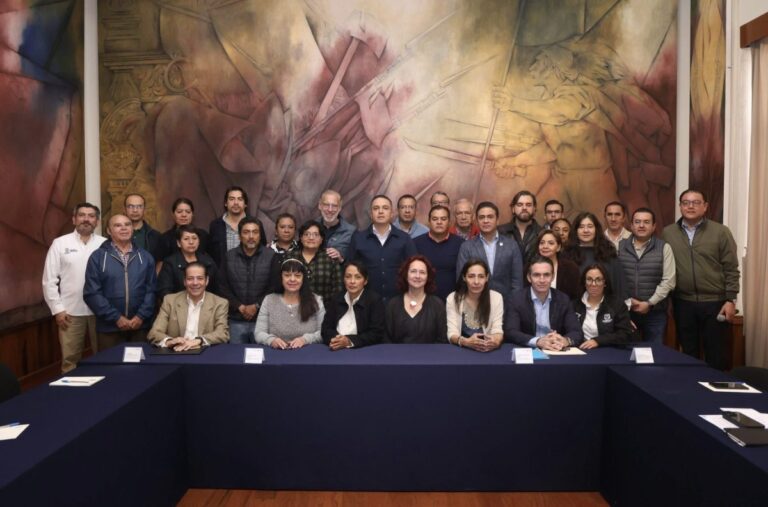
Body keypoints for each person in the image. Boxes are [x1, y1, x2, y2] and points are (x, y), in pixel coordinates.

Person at [662, 189, 740, 370]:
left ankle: (717, 396)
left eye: (696, 202)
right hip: (683, 303)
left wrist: (731, 299)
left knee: (716, 355)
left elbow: (731, 268)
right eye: (686, 202)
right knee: (689, 355)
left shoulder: (721, 232)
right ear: (680, 206)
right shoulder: (668, 233)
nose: (690, 206)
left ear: (705, 207)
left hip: (715, 303)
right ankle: (692, 394)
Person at [42, 203, 106, 372]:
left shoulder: (105, 244)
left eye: (91, 216)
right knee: (70, 360)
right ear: (74, 219)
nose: (86, 219)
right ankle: (70, 396)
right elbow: (49, 280)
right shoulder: (60, 243)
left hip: (100, 312)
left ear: (97, 221)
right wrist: (58, 310)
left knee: (104, 358)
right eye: (82, 215)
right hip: (69, 313)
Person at [83, 214, 157, 349]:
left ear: (132, 229)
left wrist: (140, 316)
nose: (123, 228)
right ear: (109, 231)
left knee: (140, 367)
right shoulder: (97, 257)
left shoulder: (145, 257)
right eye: (117, 225)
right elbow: (92, 293)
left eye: (127, 224)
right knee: (110, 368)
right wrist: (116, 318)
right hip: (109, 327)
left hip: (139, 326)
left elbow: (151, 290)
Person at [617, 207, 675, 343]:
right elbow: (615, 280)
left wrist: (649, 303)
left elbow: (669, 281)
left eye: (646, 222)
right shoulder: (619, 247)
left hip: (655, 313)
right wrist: (628, 301)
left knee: (654, 354)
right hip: (626, 312)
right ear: (631, 225)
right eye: (637, 222)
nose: (641, 225)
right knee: (626, 354)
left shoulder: (664, 248)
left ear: (654, 226)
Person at [217, 217, 276, 344]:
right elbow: (222, 286)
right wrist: (239, 306)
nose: (251, 236)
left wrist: (256, 305)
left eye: (255, 232)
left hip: (263, 321)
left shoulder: (271, 256)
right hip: (235, 319)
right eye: (246, 232)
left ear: (260, 235)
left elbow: (274, 286)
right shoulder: (229, 256)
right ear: (239, 236)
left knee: (263, 360)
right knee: (236, 360)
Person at [348, 195, 417, 302]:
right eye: (376, 208)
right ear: (371, 214)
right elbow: (349, 270)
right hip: (366, 303)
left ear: (392, 213)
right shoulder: (358, 238)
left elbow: (413, 269)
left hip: (398, 303)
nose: (380, 212)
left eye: (385, 208)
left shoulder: (404, 239)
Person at [503, 256, 582, 350]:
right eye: (536, 275)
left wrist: (565, 340)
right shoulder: (516, 299)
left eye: (546, 275)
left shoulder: (563, 299)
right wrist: (537, 341)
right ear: (529, 277)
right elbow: (511, 331)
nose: (542, 280)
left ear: (552, 277)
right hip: (528, 350)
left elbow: (576, 332)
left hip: (556, 350)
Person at [147, 262, 229, 350]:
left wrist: (199, 340)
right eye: (190, 278)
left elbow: (222, 333)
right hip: (176, 352)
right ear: (185, 281)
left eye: (200, 278)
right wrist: (169, 341)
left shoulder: (220, 303)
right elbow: (154, 332)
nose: (195, 283)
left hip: (205, 353)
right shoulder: (170, 301)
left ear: (207, 280)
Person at [456, 201, 523, 300]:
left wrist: (513, 306)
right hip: (476, 304)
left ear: (497, 220)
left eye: (490, 217)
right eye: (482, 217)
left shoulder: (511, 245)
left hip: (506, 306)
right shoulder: (467, 247)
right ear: (477, 221)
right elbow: (461, 281)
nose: (486, 221)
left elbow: (517, 282)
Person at [254, 259, 325, 349]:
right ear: (281, 278)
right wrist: (271, 340)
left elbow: (323, 332)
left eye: (297, 276)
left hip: (308, 354)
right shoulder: (269, 300)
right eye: (287, 275)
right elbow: (259, 333)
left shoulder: (316, 300)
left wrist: (305, 340)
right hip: (276, 354)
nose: (292, 279)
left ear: (303, 279)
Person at [321, 260, 386, 350]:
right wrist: (337, 340)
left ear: (365, 281)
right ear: (343, 279)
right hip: (335, 349)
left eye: (358, 277)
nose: (352, 281)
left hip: (362, 351)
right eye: (348, 277)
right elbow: (325, 329)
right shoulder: (336, 299)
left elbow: (376, 333)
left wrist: (349, 341)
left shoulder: (374, 300)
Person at [385, 255, 447, 343]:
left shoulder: (437, 305)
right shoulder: (393, 304)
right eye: (413, 271)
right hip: (398, 356)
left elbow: (442, 340)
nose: (417, 276)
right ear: (406, 274)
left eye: (422, 272)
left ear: (428, 277)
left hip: (430, 356)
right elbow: (387, 340)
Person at [564, 212, 626, 300]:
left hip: (606, 308)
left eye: (590, 226)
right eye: (581, 227)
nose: (586, 230)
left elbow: (619, 285)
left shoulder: (608, 252)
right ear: (575, 230)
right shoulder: (567, 255)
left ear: (596, 229)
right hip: (574, 308)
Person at [446, 259, 503, 352]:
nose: (476, 281)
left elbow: (497, 330)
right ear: (464, 278)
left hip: (487, 350)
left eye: (481, 276)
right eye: (471, 276)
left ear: (487, 278)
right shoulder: (453, 298)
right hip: (461, 350)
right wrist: (466, 342)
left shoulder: (496, 297)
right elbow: (452, 334)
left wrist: (495, 341)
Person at [573, 264, 634, 349]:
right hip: (581, 351)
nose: (593, 284)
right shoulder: (574, 305)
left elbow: (624, 334)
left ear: (605, 282)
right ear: (584, 282)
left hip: (608, 352)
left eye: (598, 280)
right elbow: (569, 331)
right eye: (589, 279)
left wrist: (598, 341)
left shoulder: (617, 304)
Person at [284, 221, 343, 304]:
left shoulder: (330, 258)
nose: (311, 238)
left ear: (322, 239)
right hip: (293, 307)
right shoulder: (290, 256)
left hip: (324, 309)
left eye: (316, 234)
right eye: (307, 234)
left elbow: (338, 288)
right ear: (300, 238)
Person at [414, 205, 464, 300]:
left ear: (449, 222)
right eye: (435, 219)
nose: (439, 222)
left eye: (443, 219)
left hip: (453, 300)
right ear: (429, 221)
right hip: (423, 300)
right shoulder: (416, 243)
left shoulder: (460, 244)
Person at [157, 225, 218, 302]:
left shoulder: (208, 261)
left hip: (206, 306)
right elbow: (164, 291)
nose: (191, 242)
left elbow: (218, 288)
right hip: (178, 307)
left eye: (194, 238)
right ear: (179, 243)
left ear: (199, 241)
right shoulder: (170, 263)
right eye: (186, 239)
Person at [155, 197, 210, 268]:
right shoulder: (165, 238)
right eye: (179, 212)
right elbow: (160, 266)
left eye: (188, 212)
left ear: (192, 214)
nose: (184, 215)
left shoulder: (203, 235)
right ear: (173, 214)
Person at [533, 229, 580, 301]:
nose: (545, 246)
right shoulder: (530, 267)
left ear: (558, 247)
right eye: (542, 243)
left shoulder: (570, 268)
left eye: (551, 243)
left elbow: (575, 297)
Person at [208, 186, 248, 267]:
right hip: (223, 275)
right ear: (225, 203)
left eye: (240, 199)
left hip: (248, 274)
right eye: (232, 199)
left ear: (245, 204)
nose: (236, 202)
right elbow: (211, 253)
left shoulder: (254, 224)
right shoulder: (215, 225)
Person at [499, 190, 542, 261]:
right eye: (520, 205)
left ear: (534, 209)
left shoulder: (542, 233)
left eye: (528, 205)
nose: (524, 208)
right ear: (513, 209)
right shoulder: (500, 232)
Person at [317, 189, 356, 263]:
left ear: (340, 208)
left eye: (334, 206)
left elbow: (355, 263)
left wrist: (341, 259)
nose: (330, 210)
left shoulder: (351, 232)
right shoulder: (310, 228)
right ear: (320, 206)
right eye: (326, 205)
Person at [124, 193, 161, 260]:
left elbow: (159, 261)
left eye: (139, 206)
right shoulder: (116, 234)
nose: (135, 210)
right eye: (130, 206)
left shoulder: (156, 236)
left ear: (144, 209)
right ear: (125, 209)